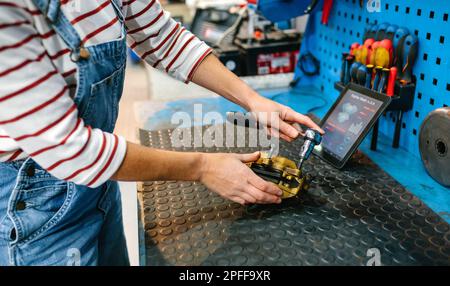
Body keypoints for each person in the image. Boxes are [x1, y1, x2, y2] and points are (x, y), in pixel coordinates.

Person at [0, 0, 323, 265]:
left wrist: (253, 100)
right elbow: (70, 150)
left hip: (99, 180)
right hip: (33, 206)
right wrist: (204, 167)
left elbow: (162, 37)